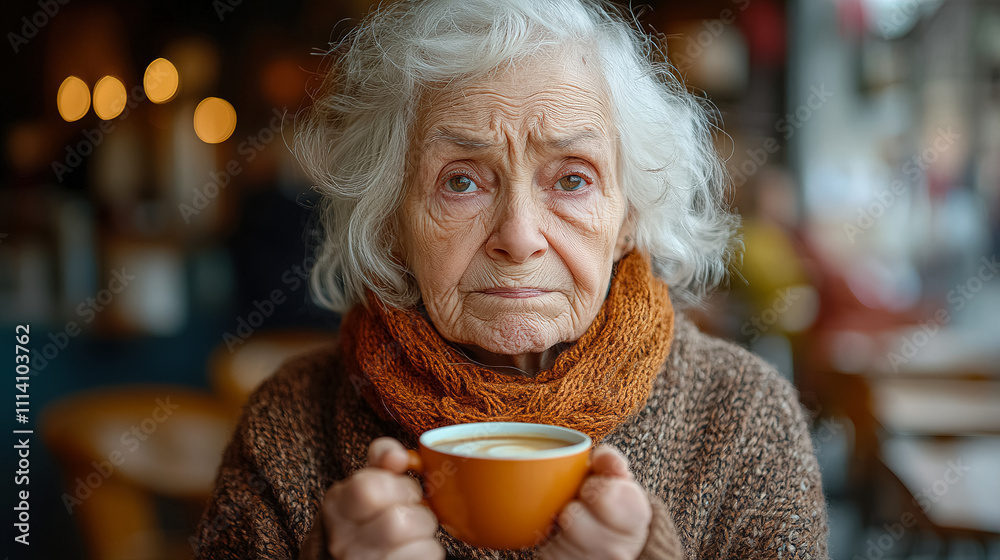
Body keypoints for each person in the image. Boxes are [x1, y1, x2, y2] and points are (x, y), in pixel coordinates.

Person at [194, 0, 830, 558]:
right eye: (462, 180)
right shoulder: (288, 425)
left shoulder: (745, 417)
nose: (520, 236)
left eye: (573, 178)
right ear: (392, 220)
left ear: (629, 215)